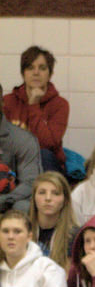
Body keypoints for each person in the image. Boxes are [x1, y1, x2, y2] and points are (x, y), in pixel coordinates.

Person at [0, 209, 70, 287]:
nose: (10, 236)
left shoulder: (47, 269)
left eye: (17, 231)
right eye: (5, 231)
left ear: (29, 236)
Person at [2, 47, 68, 173]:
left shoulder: (60, 105)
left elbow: (48, 144)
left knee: (43, 155)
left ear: (50, 74)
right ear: (23, 73)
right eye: (30, 68)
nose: (36, 72)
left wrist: (33, 105)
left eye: (42, 68)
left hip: (47, 164)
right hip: (13, 163)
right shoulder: (7, 102)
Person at [0, 85, 41, 213]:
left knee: (23, 207)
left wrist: (5, 200)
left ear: (2, 103)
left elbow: (31, 181)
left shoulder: (23, 140)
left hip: (8, 202)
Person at [28, 170, 77, 271]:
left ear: (65, 199)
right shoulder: (22, 231)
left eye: (55, 193)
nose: (48, 198)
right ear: (34, 198)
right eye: (42, 193)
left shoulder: (74, 235)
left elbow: (66, 278)